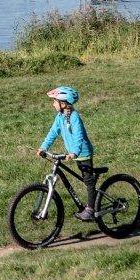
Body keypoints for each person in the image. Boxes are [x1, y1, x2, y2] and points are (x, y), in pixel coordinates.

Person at [37, 85, 101, 219]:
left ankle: (90, 209)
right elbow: (53, 132)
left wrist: (75, 152)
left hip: (83, 153)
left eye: (55, 102)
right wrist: (44, 147)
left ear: (63, 104)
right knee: (84, 179)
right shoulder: (60, 116)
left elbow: (79, 136)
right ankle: (90, 205)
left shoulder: (74, 117)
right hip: (75, 154)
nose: (53, 104)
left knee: (88, 181)